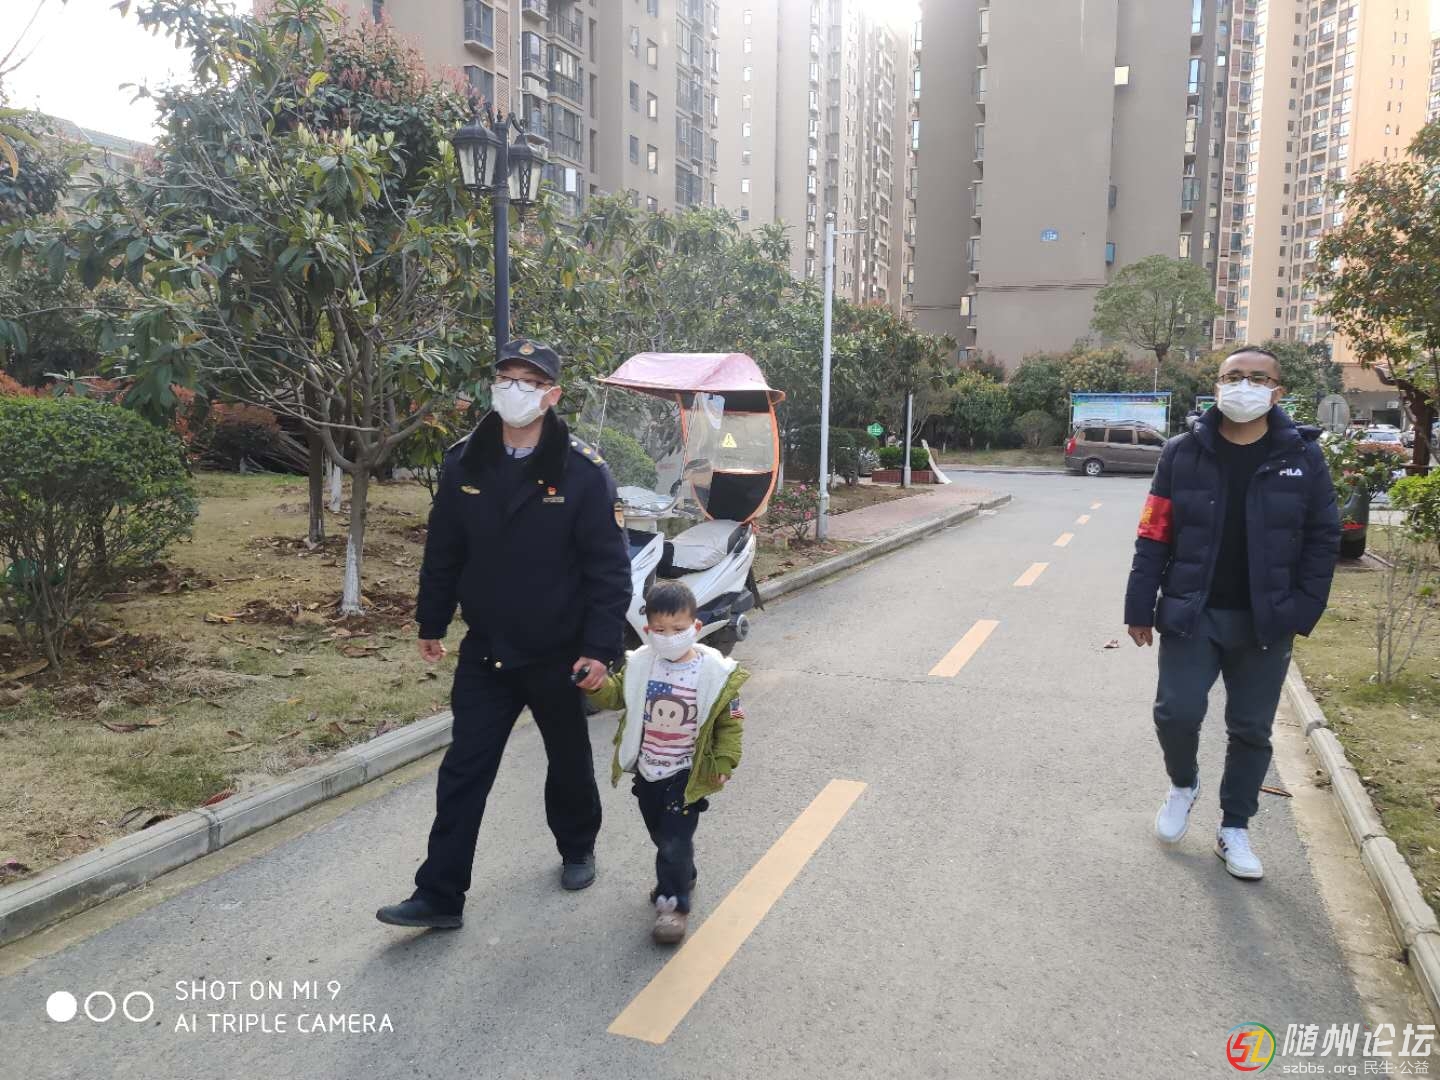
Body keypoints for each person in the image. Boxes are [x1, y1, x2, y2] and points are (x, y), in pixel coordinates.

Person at [376, 338, 632, 929]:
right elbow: (444, 549)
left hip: (559, 650)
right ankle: (440, 895)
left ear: (552, 395)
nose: (514, 390)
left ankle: (577, 847)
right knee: (463, 770)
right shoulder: (465, 460)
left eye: (528, 381)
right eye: (505, 378)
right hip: (488, 648)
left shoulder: (583, 471)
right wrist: (431, 620)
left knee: (567, 760)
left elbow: (609, 569)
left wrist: (600, 649)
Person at [1125, 346, 1340, 880]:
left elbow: (1323, 536)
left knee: (1250, 728)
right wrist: (1140, 606)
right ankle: (1183, 784)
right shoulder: (1182, 452)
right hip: (1192, 611)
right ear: (1217, 386)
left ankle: (1234, 827)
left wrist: (1302, 608)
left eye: (1257, 378)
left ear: (1278, 391)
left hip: (1265, 619)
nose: (1245, 386)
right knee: (1176, 712)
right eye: (1233, 376)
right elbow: (1154, 532)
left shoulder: (1302, 456)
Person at [585, 581, 747, 944]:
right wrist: (596, 685)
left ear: (696, 627)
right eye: (660, 630)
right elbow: (616, 696)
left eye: (678, 629)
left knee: (673, 842)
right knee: (662, 837)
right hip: (648, 771)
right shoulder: (641, 664)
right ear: (647, 630)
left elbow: (730, 722)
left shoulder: (715, 673)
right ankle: (681, 872)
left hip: (685, 774)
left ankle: (673, 905)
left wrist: (724, 760)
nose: (669, 637)